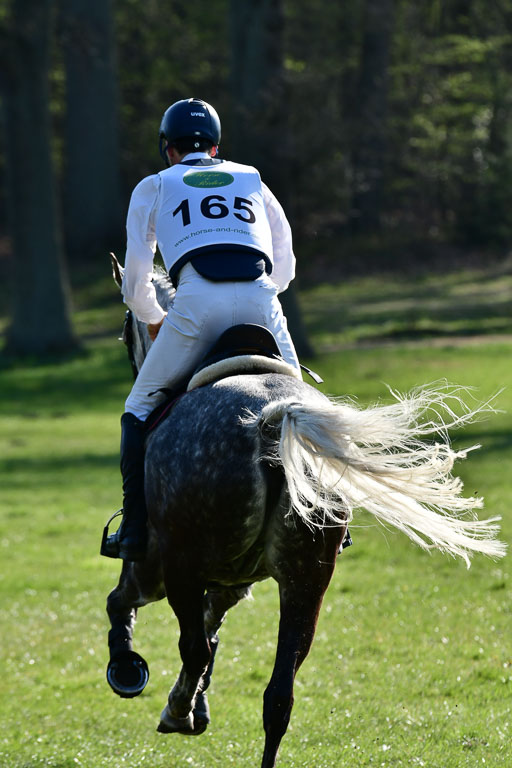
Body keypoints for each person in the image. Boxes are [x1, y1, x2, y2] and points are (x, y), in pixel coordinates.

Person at [102, 97, 301, 562]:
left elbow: (135, 284)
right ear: (215, 147)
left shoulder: (154, 186)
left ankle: (132, 530)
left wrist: (155, 318)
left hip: (195, 302)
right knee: (307, 407)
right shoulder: (252, 178)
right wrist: (259, 294)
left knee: (137, 409)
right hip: (261, 301)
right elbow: (286, 266)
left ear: (166, 148)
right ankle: (333, 518)